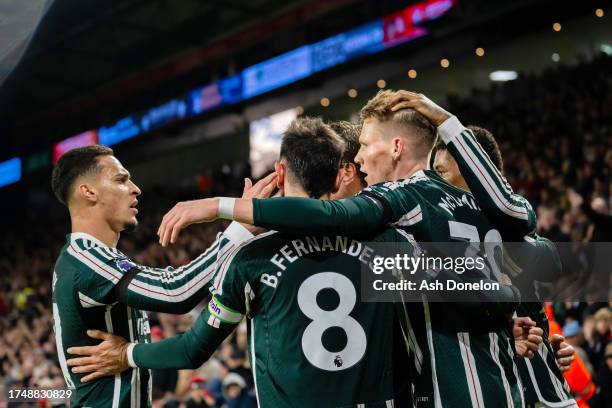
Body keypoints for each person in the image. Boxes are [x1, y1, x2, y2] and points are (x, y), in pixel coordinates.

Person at [154, 90, 541, 407]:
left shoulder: (255, 258)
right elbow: (514, 257)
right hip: (498, 382)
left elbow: (190, 339)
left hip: (448, 392)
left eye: (366, 145)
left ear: (395, 147)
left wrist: (223, 213)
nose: (358, 156)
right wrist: (504, 313)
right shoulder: (414, 230)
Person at [65, 117, 412, 407]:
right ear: (339, 177)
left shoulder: (250, 260)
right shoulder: (388, 246)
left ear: (278, 172)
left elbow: (191, 350)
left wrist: (129, 355)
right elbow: (463, 283)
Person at [50, 145, 275, 407]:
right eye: (121, 179)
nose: (136, 188)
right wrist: (239, 230)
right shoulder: (86, 259)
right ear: (88, 192)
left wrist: (128, 354)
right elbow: (175, 292)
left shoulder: (90, 258)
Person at [428, 119, 577, 407]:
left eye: (441, 173)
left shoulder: (513, 230)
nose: (435, 184)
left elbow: (551, 262)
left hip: (543, 394)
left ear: (481, 172)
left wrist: (545, 343)